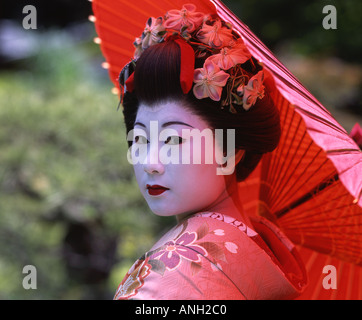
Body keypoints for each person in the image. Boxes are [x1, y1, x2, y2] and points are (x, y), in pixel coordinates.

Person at [113, 4, 307, 300]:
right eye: (139, 139)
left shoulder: (172, 274)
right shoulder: (263, 243)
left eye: (174, 141)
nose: (150, 164)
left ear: (232, 150)